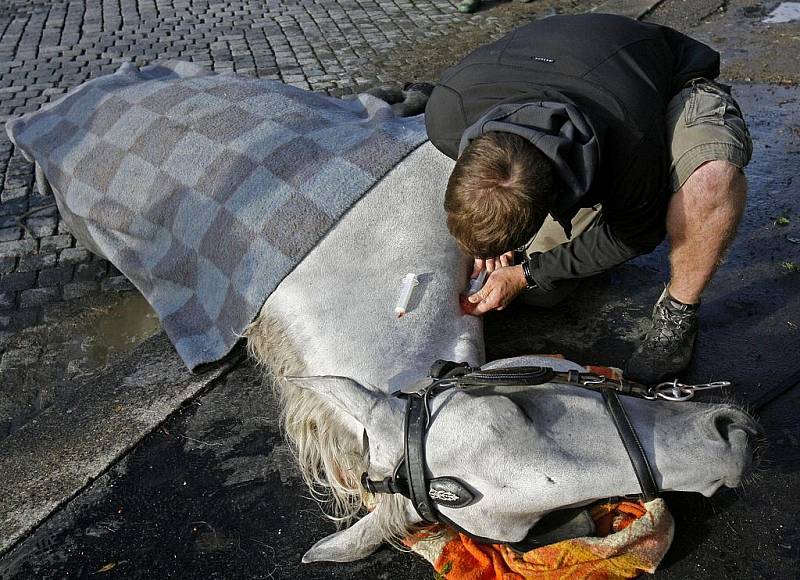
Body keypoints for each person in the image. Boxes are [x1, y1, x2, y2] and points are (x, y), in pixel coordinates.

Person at [425, 14, 752, 383]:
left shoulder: (632, 146)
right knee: (544, 296)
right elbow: (491, 182)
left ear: (551, 195)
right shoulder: (446, 113)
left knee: (710, 180)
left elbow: (635, 235)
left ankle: (679, 311)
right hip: (565, 64)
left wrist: (526, 273)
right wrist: (491, 245)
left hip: (664, 78)